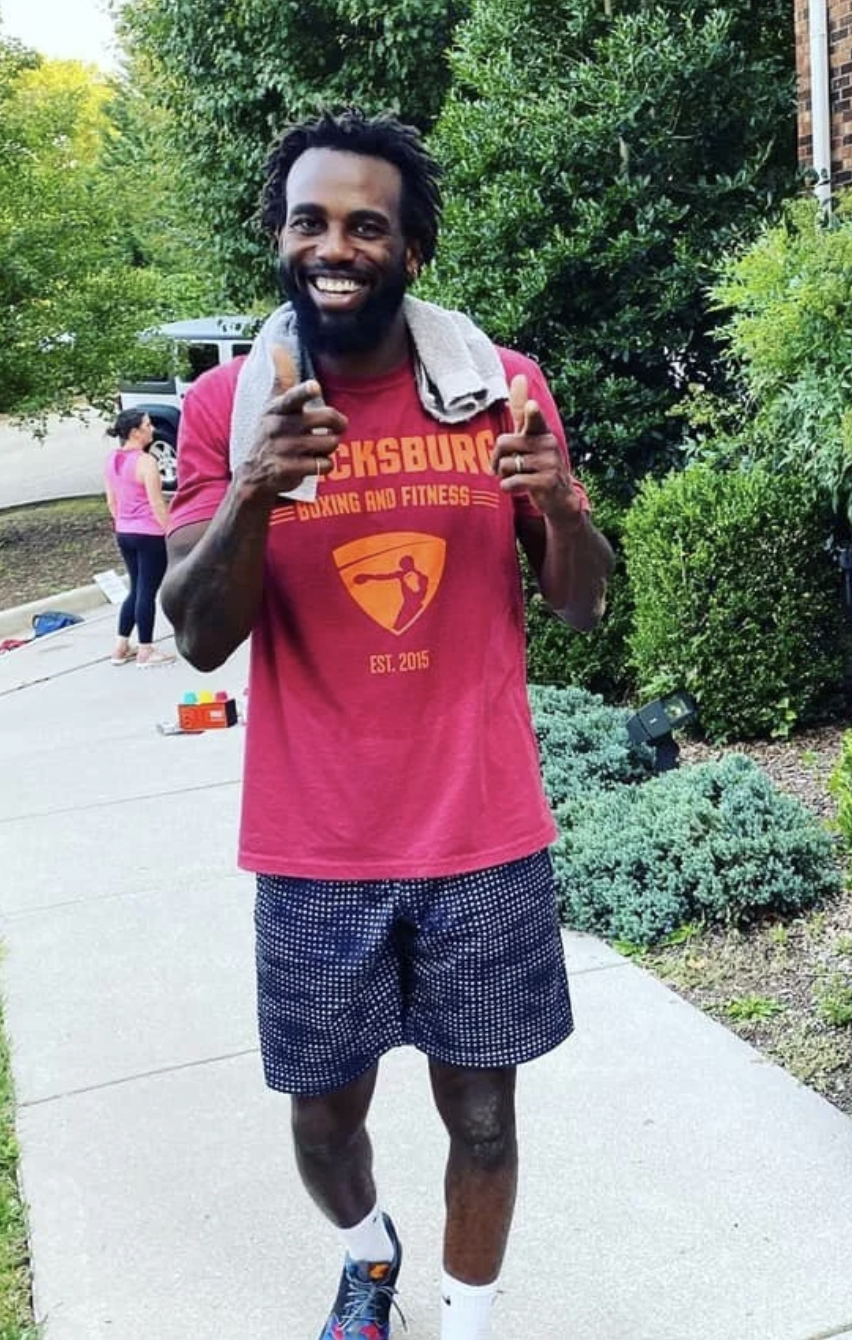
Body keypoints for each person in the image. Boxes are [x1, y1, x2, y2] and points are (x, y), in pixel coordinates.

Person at [161, 109, 614, 1340]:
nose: (336, 245)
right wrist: (256, 485)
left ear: (412, 250)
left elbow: (580, 606)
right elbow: (198, 634)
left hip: (481, 830)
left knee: (482, 1114)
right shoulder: (226, 407)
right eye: (311, 220)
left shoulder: (497, 388)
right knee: (321, 1115)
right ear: (278, 237)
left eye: (369, 223)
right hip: (316, 845)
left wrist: (561, 506)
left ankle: (463, 1319)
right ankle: (370, 1255)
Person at [104, 409, 175, 668]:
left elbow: (112, 501)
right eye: (147, 425)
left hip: (124, 532)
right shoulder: (146, 462)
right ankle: (145, 649)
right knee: (147, 591)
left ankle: (121, 646)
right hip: (149, 534)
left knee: (136, 588)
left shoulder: (111, 459)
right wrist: (170, 530)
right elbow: (157, 504)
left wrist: (123, 523)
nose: (152, 429)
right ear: (135, 432)